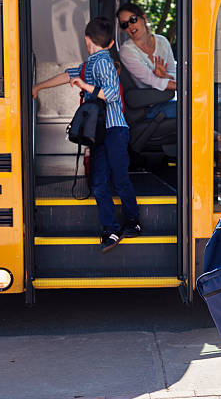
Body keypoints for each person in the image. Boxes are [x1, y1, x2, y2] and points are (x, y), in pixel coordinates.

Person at [32, 17, 142, 253]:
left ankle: (126, 224)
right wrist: (38, 87)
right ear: (112, 42)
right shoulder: (88, 64)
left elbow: (111, 94)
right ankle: (115, 228)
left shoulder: (103, 63)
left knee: (109, 179)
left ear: (86, 39)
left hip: (113, 129)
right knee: (103, 181)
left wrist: (84, 85)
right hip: (102, 132)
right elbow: (66, 75)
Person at [116, 2, 176, 119]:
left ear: (143, 17)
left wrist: (165, 75)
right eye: (124, 25)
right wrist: (190, 87)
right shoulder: (127, 51)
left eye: (133, 20)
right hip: (149, 108)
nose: (130, 26)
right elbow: (152, 80)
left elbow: (174, 74)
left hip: (168, 100)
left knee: (219, 102)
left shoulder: (162, 42)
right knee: (193, 106)